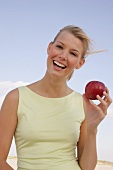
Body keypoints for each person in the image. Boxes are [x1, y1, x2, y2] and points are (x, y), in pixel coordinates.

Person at [0, 25, 112, 170]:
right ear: (49, 48)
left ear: (80, 63)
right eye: (59, 47)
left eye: (73, 53)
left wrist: (92, 129)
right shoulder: (15, 98)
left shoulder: (82, 103)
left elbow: (87, 168)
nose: (63, 56)